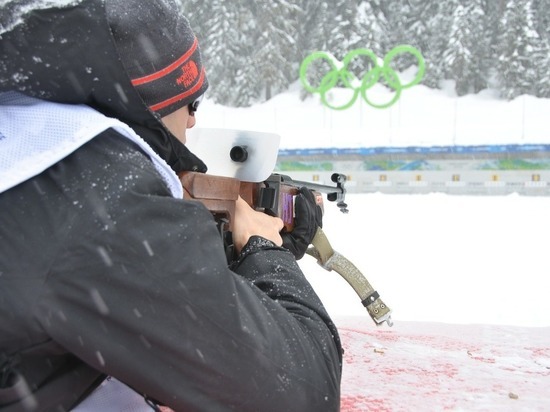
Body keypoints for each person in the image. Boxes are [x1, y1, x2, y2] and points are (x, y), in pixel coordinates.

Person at [0, 0, 342, 411]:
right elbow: (304, 390)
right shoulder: (97, 202)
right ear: (149, 103)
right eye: (192, 103)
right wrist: (266, 252)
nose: (194, 122)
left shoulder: (31, 149)